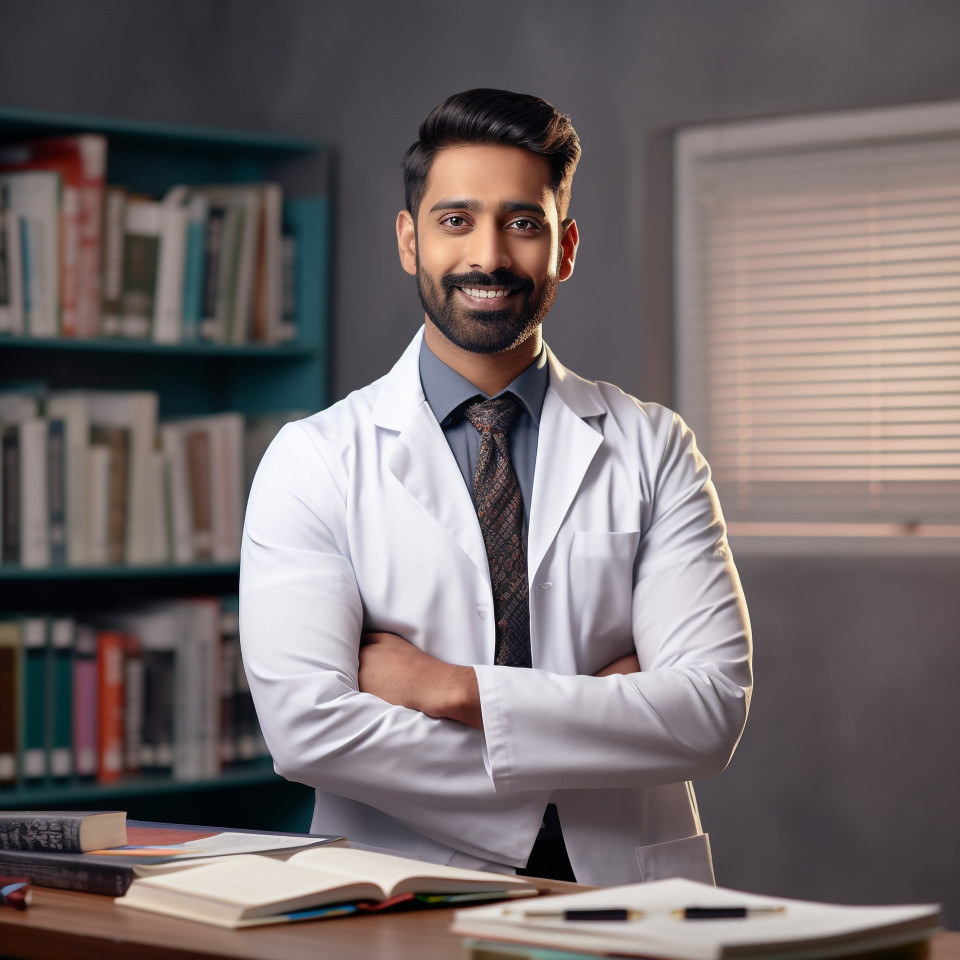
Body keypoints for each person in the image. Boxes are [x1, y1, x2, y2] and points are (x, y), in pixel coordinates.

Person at [239, 88, 752, 886]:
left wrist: (450, 690)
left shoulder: (654, 447)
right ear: (409, 240)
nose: (488, 255)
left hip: (623, 889)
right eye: (455, 221)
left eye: (522, 223)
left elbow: (708, 714)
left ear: (565, 247)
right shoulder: (314, 459)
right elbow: (306, 731)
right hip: (396, 886)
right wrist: (587, 723)